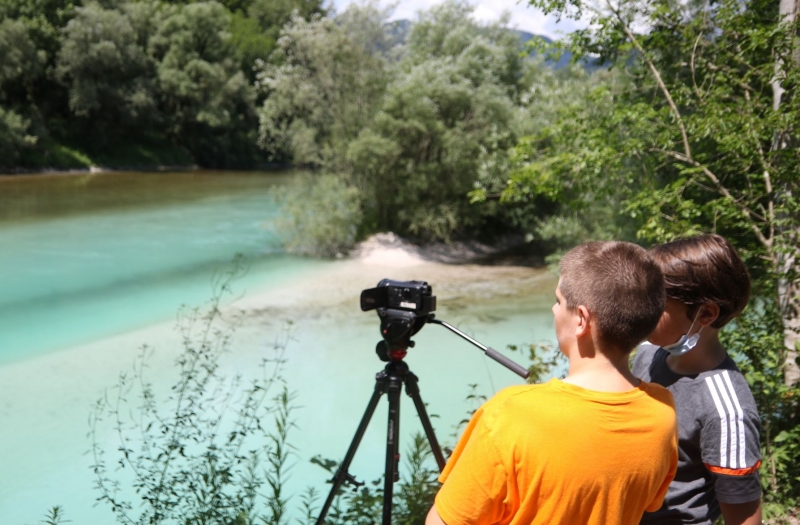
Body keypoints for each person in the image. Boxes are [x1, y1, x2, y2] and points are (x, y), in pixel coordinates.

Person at [426, 241, 679, 525]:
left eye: (559, 301)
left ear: (581, 319)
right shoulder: (662, 412)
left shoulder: (510, 415)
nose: (554, 309)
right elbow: (649, 501)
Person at [633, 234, 762, 525]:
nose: (640, 310)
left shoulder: (727, 412)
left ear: (705, 313)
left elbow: (744, 518)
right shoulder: (648, 353)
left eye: (655, 303)